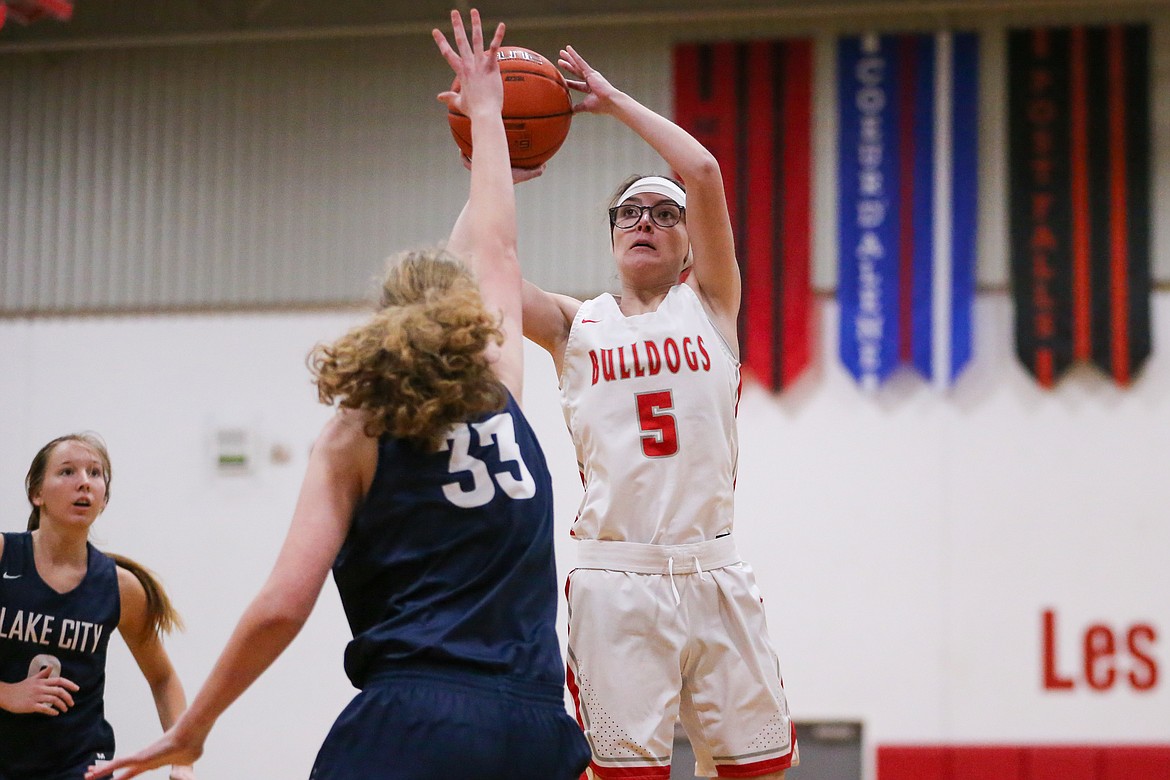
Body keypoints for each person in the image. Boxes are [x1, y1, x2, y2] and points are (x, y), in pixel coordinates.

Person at [87, 9, 590, 780]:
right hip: (536, 727)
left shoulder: (353, 432)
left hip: (414, 718)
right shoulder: (503, 390)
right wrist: (490, 127)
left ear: (385, 322)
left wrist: (194, 726)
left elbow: (283, 605)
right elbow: (498, 248)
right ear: (473, 327)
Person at [519, 46, 798, 779]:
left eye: (664, 214)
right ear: (613, 236)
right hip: (617, 576)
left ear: (687, 245)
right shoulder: (571, 325)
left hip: (714, 567)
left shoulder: (710, 306)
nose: (646, 220)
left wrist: (613, 103)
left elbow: (702, 171)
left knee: (758, 771)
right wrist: (499, 157)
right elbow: (484, 268)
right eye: (630, 212)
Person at [0, 432, 195, 780]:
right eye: (67, 472)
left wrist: (182, 760)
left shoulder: (120, 587)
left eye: (95, 473)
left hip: (79, 763)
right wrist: (6, 693)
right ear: (36, 493)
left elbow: (163, 678)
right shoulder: (4, 557)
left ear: (104, 499)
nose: (84, 483)